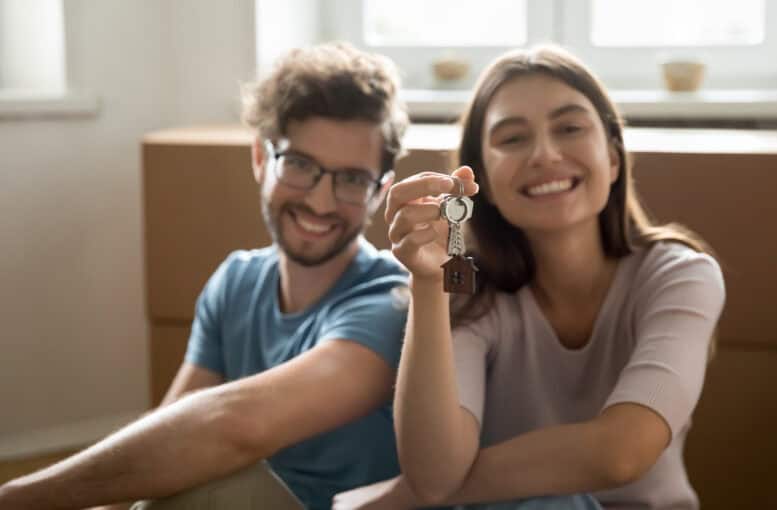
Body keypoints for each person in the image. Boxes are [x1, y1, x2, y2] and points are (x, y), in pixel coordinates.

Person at [0, 42, 411, 510]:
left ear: (381, 192)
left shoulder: (391, 301)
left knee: (208, 485)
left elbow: (234, 426)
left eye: (352, 179)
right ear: (261, 159)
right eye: (299, 164)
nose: (320, 202)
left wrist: (18, 499)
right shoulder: (236, 281)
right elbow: (174, 427)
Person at [334, 44, 725, 509]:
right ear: (484, 185)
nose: (544, 154)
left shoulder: (680, 277)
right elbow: (434, 467)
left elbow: (622, 452)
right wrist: (428, 283)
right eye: (513, 138)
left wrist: (408, 497)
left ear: (614, 160)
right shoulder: (471, 294)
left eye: (570, 127)